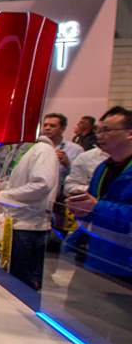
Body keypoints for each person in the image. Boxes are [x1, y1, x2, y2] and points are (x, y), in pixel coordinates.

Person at [0, 138, 59, 291]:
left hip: (30, 226)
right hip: (13, 222)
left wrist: (4, 194)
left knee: (23, 285)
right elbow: (16, 182)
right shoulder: (19, 148)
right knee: (10, 280)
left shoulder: (43, 150)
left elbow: (41, 185)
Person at [67, 106, 132, 278]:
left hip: (125, 265)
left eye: (106, 130)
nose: (99, 135)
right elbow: (92, 204)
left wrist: (97, 207)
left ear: (129, 133)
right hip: (95, 256)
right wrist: (80, 208)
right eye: (98, 130)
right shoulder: (103, 167)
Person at [41, 112, 83, 179]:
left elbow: (80, 176)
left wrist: (67, 164)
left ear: (62, 129)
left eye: (52, 126)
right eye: (45, 125)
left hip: (61, 187)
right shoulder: (35, 147)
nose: (47, 128)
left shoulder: (76, 150)